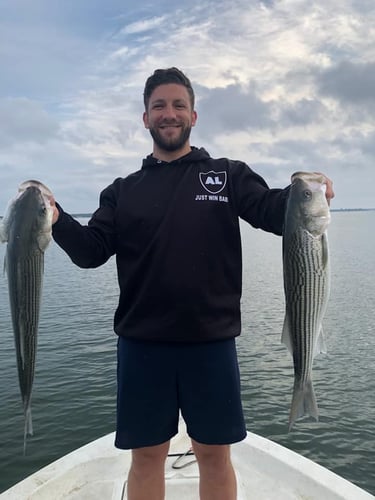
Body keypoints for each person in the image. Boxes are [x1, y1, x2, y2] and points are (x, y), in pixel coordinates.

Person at [50, 67, 334, 500]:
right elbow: (90, 251)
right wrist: (55, 218)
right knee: (146, 457)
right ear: (145, 118)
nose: (169, 113)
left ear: (193, 115)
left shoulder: (226, 175)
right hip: (143, 345)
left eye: (178, 105)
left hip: (211, 344)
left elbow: (273, 211)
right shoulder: (122, 192)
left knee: (214, 455)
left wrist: (305, 192)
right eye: (159, 106)